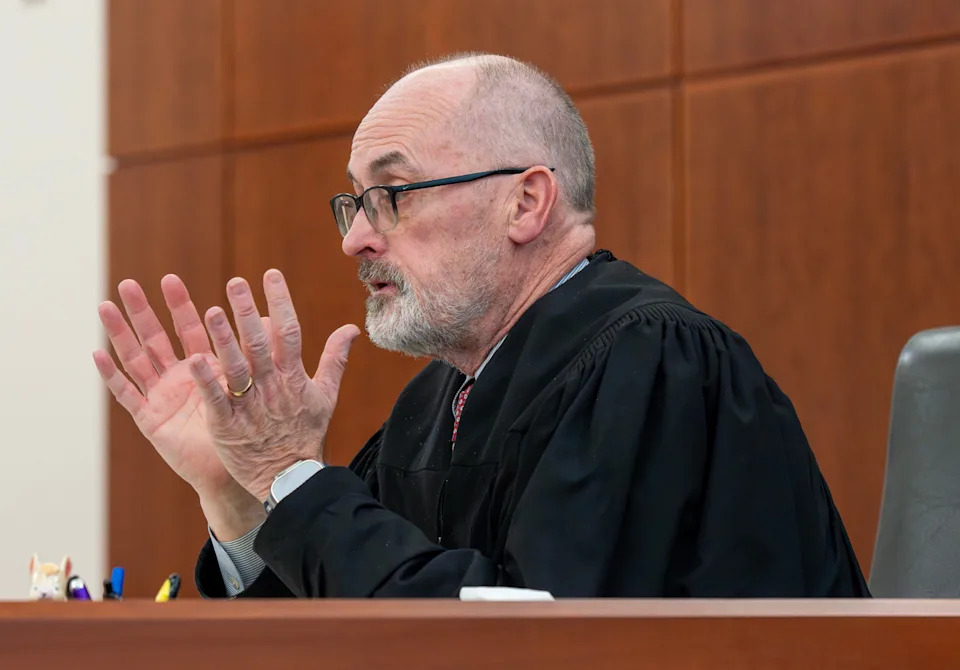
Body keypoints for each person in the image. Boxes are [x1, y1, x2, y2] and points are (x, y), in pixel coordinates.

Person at [94, 53, 870, 598]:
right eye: (354, 202)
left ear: (526, 203)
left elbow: (528, 643)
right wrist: (238, 490)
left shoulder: (652, 361)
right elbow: (339, 623)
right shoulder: (434, 405)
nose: (355, 239)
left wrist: (290, 477)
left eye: (392, 195)